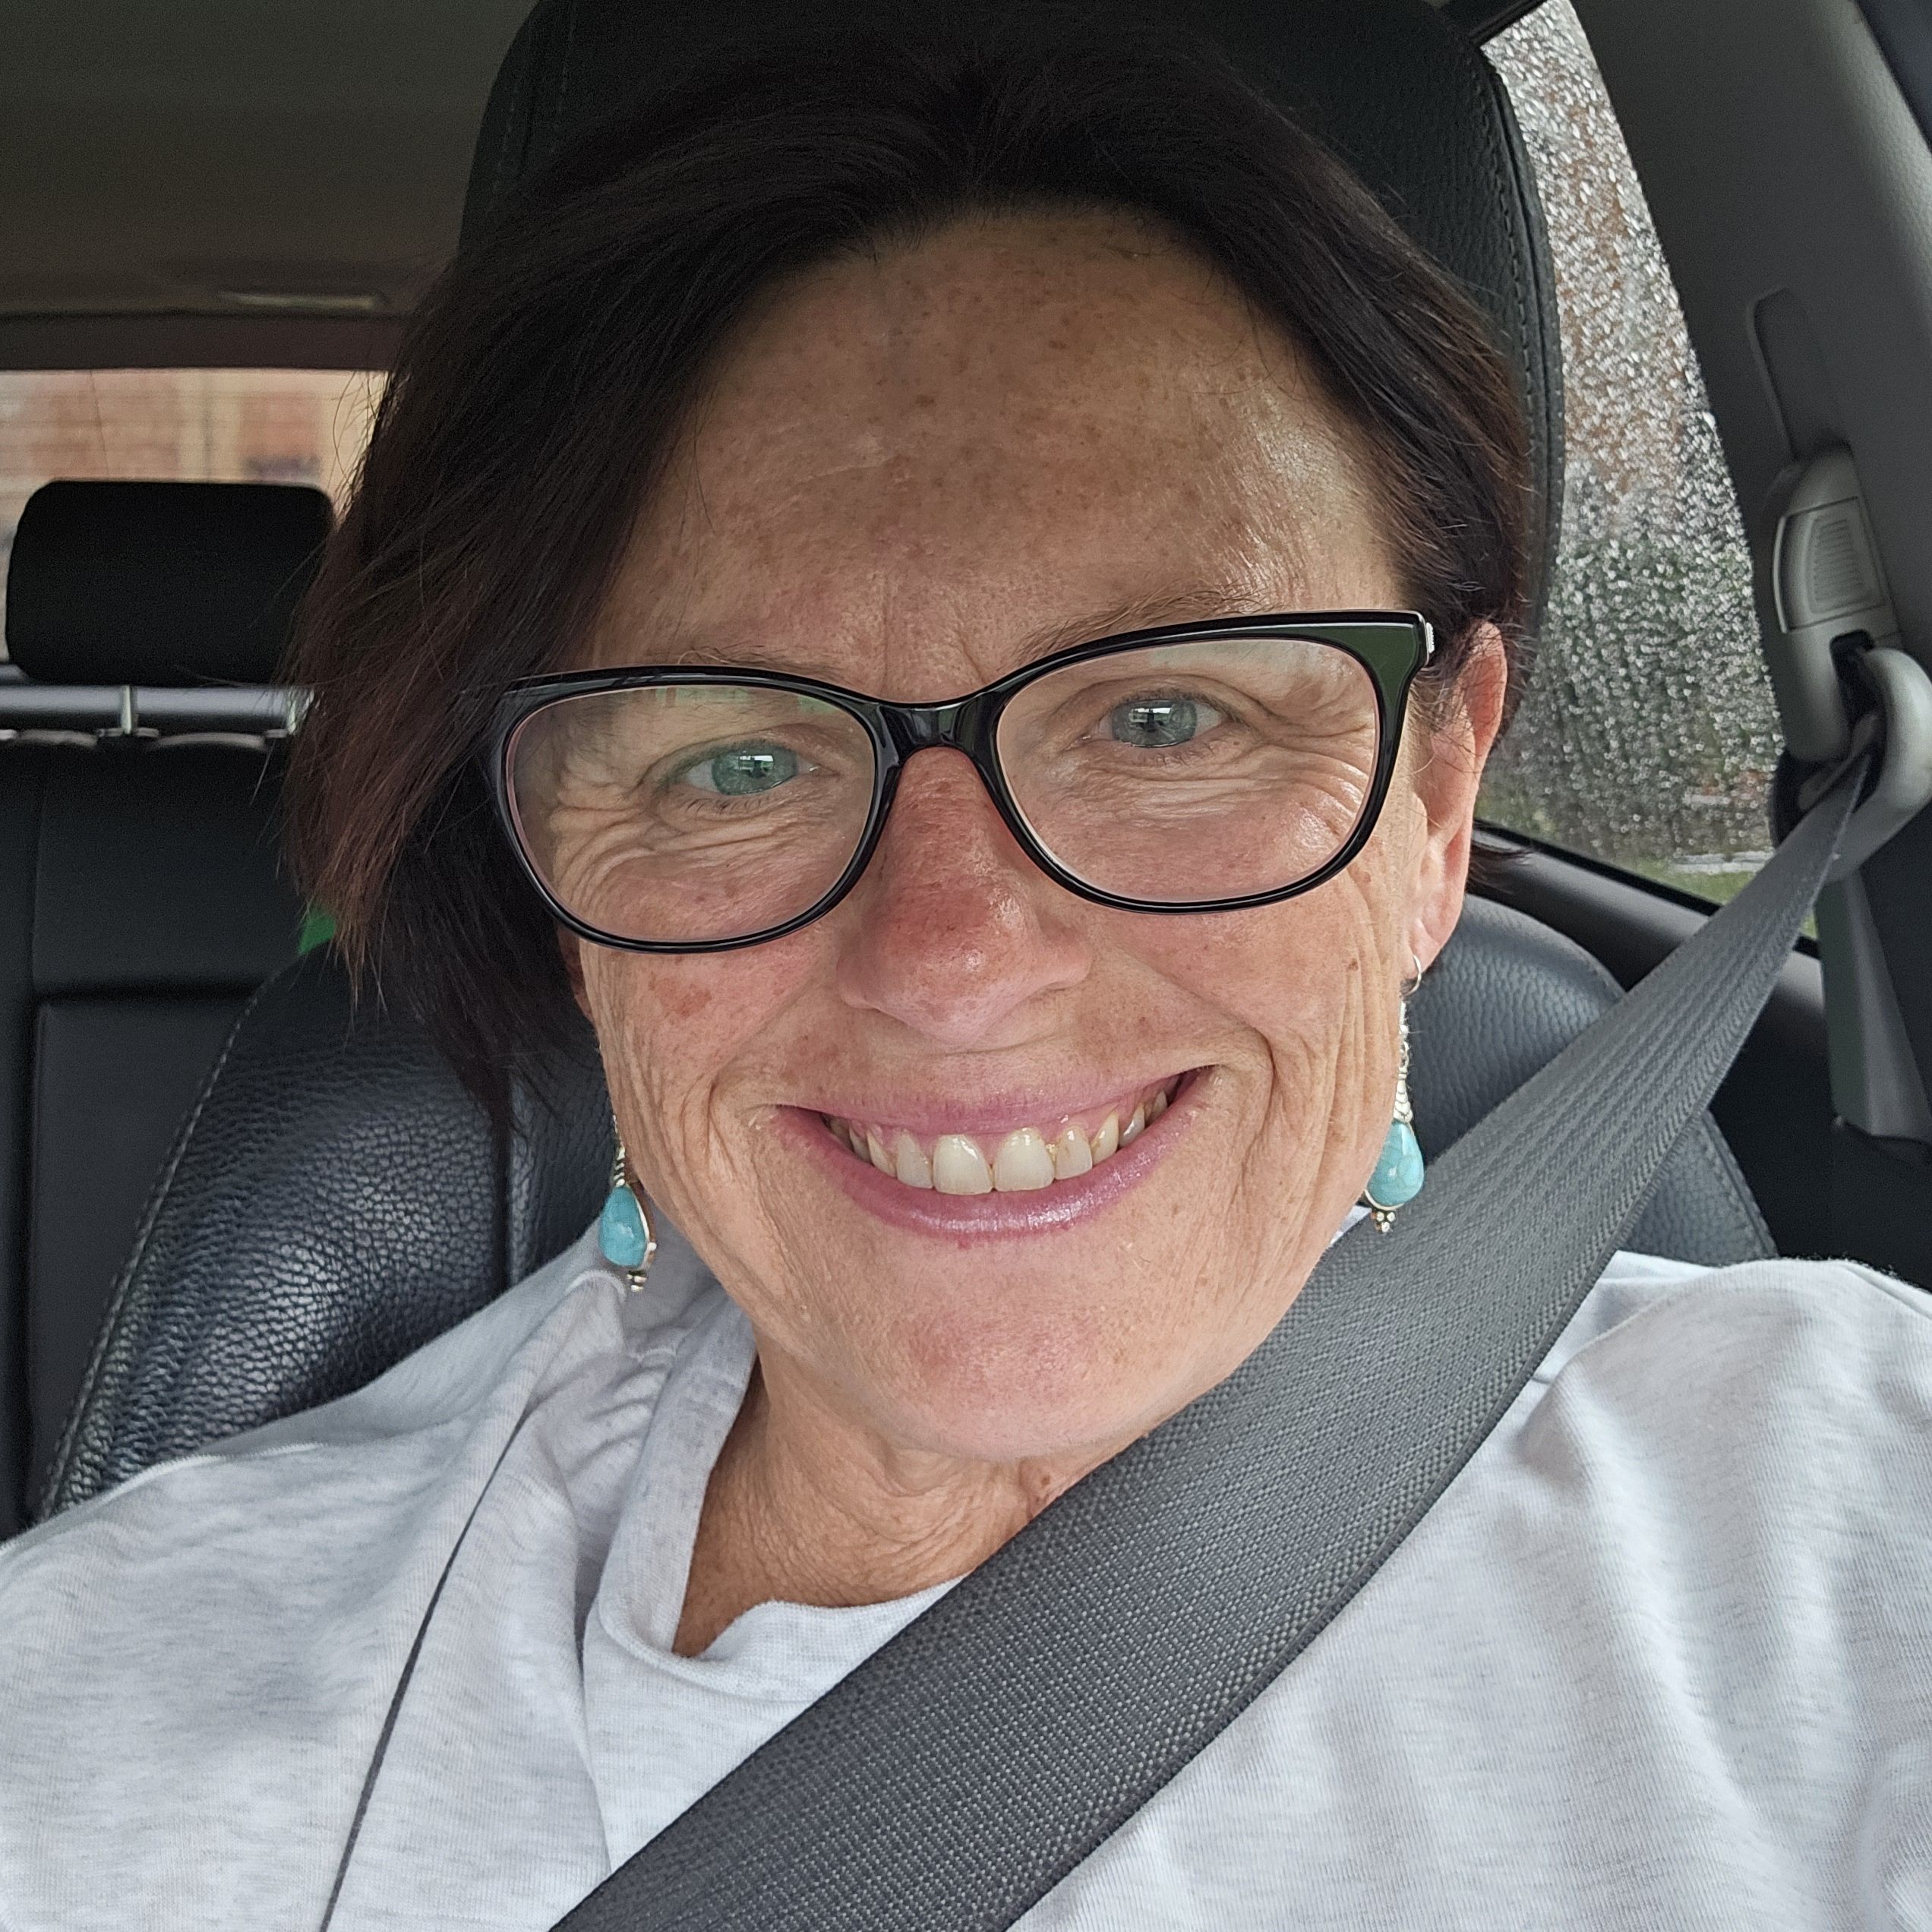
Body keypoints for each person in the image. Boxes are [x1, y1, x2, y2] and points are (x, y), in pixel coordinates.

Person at [2, 23, 1928, 1932]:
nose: (953, 962)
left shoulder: (1852, 1518)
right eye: (736, 760)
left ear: (1434, 801)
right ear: (563, 901)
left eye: (1166, 716)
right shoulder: (100, 1724)